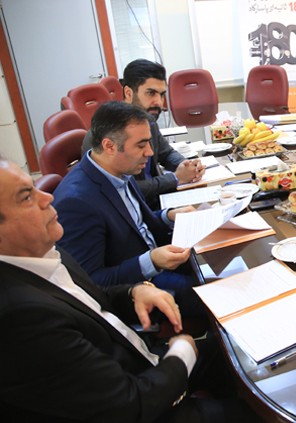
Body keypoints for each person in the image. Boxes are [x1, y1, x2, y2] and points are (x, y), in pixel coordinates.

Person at [0, 157, 251, 422]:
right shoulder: (19, 318)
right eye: (26, 197)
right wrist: (182, 351)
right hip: (145, 402)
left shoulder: (41, 252)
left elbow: (86, 300)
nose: (47, 198)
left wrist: (133, 292)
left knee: (240, 347)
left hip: (144, 363)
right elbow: (130, 406)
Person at [55, 102, 199, 314]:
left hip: (156, 258)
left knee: (221, 261)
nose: (149, 152)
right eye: (141, 145)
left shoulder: (118, 169)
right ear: (109, 146)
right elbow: (90, 282)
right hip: (136, 288)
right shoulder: (76, 203)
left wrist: (167, 216)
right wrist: (150, 261)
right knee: (216, 290)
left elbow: (135, 224)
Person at [81, 59, 205, 209]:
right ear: (128, 93)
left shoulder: (147, 120)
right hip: (139, 211)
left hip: (160, 201)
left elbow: (166, 153)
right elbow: (125, 189)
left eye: (162, 95)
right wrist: (175, 178)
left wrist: (187, 165)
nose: (158, 102)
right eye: (151, 93)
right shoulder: (106, 134)